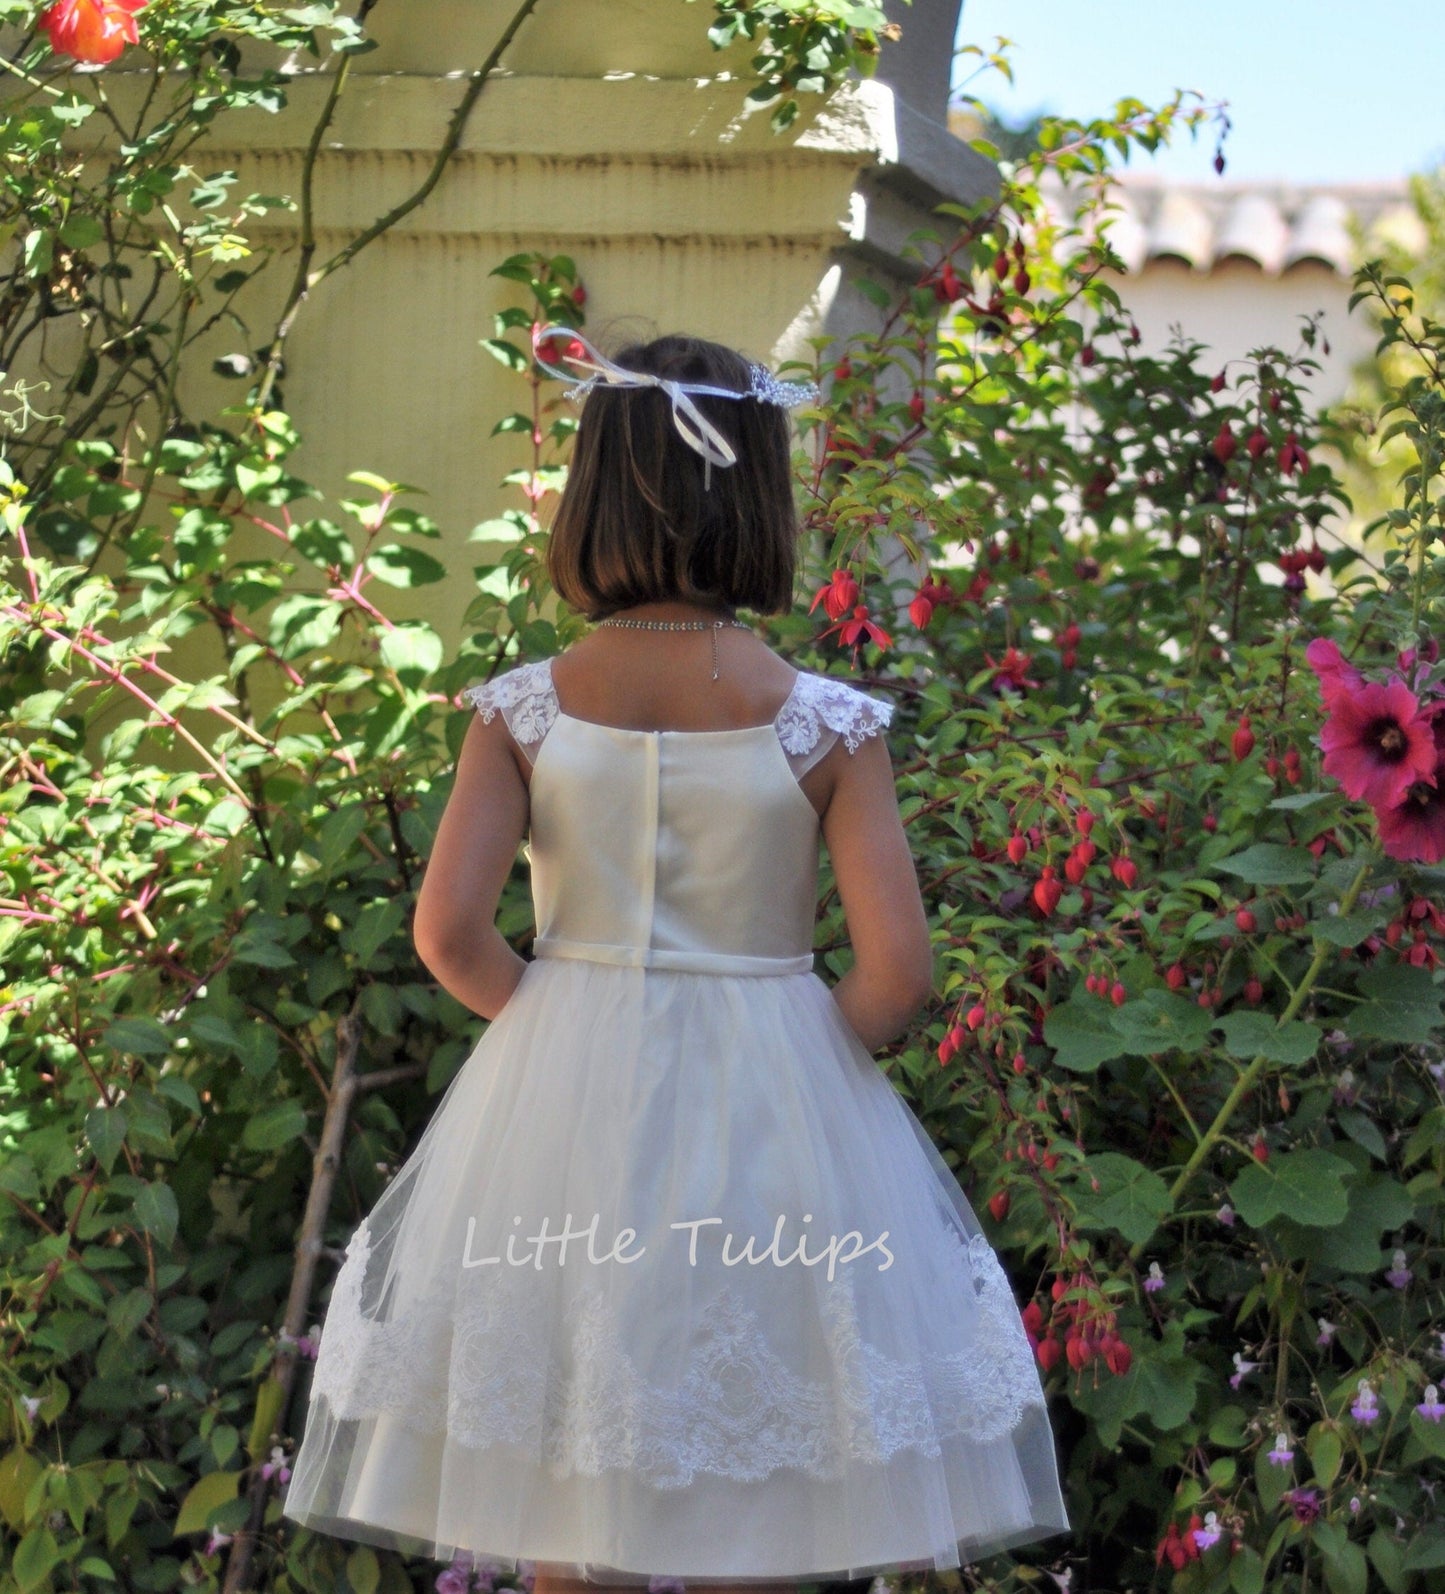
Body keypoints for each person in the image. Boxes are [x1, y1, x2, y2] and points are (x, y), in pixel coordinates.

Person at [281, 325, 1071, 1593]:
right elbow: (899, 973)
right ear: (759, 490)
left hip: (558, 1116)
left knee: (564, 1453)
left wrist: (552, 1022)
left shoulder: (522, 709)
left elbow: (446, 932)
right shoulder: (824, 722)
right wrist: (807, 1050)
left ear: (593, 485)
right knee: (757, 1477)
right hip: (769, 1116)